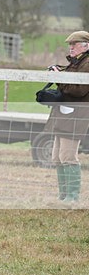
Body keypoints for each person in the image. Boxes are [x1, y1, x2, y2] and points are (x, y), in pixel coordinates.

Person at [44, 30, 89, 202]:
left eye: (74, 44)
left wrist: (59, 78)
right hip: (64, 115)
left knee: (68, 157)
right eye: (70, 44)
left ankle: (72, 197)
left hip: (77, 115)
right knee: (57, 157)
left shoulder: (87, 63)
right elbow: (70, 81)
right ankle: (63, 196)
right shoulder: (76, 63)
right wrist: (59, 71)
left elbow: (79, 89)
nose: (71, 47)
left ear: (86, 46)